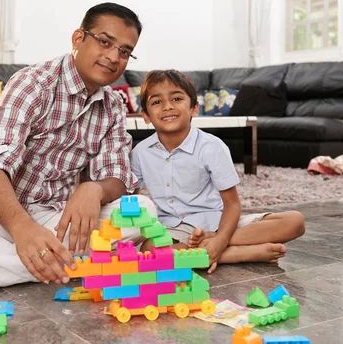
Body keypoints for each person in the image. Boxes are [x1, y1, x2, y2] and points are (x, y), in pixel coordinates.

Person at [0, 2, 158, 288]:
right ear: (79, 39)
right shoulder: (32, 84)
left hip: (57, 218)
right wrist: (22, 229)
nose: (113, 57)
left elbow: (119, 175)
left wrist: (94, 188)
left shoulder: (112, 104)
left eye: (124, 51)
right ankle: (73, 266)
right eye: (104, 42)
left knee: (143, 210)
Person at [131, 70, 306, 273]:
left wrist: (220, 238)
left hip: (219, 222)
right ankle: (233, 254)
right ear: (145, 115)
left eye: (177, 98)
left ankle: (213, 247)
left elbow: (232, 204)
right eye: (156, 102)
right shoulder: (140, 152)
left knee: (295, 221)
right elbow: (131, 200)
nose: (168, 106)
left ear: (194, 108)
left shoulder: (212, 146)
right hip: (173, 229)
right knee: (147, 252)